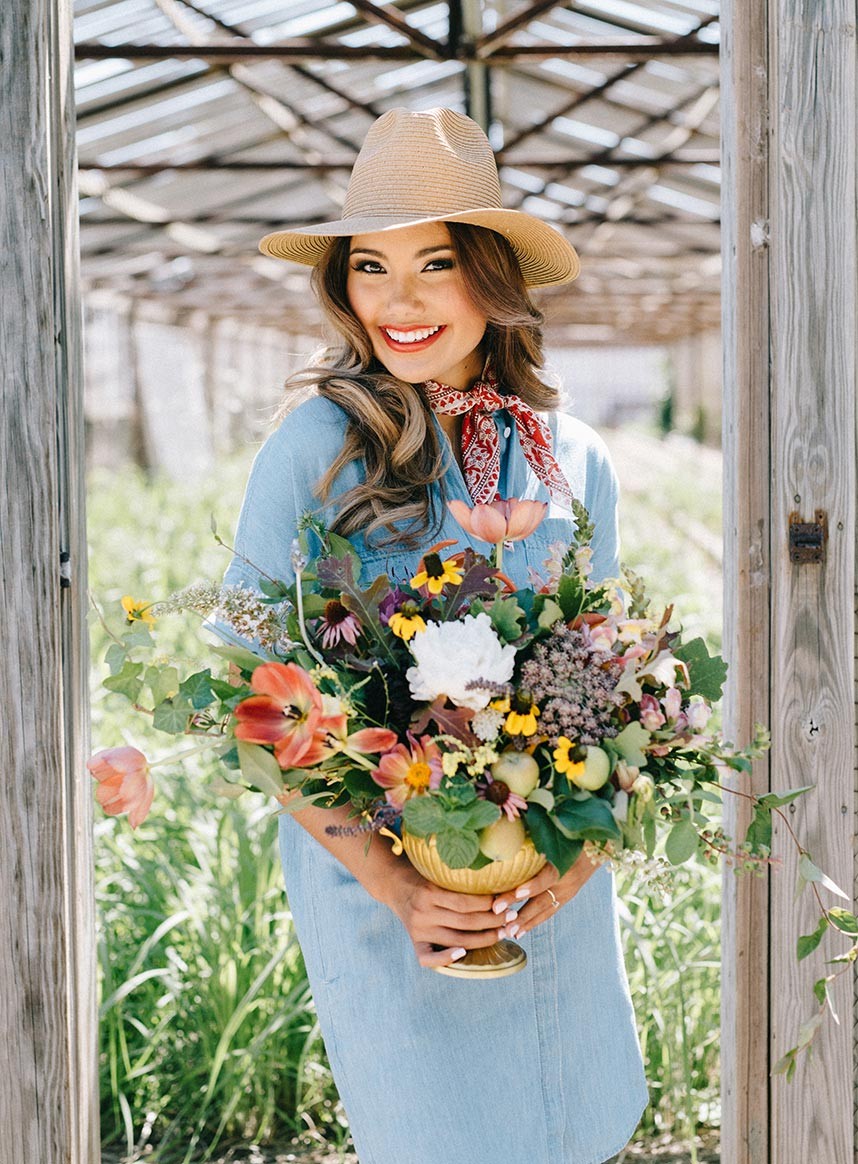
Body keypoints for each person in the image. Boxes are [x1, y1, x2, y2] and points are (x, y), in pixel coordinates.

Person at [220, 107, 647, 1164]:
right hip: (395, 899)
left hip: (546, 891)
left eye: (436, 263)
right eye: (370, 266)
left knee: (578, 1122)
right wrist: (399, 886)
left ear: (493, 277)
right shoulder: (316, 449)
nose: (396, 302)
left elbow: (606, 677)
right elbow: (248, 691)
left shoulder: (568, 456)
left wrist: (580, 859)